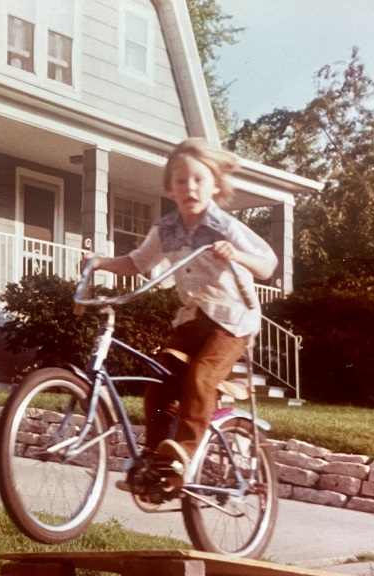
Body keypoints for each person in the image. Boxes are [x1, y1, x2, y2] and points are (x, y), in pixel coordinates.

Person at [87, 137, 278, 489]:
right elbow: (136, 263)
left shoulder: (224, 227)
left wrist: (236, 255)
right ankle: (156, 460)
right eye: (180, 180)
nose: (189, 186)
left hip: (233, 320)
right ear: (170, 189)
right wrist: (101, 263)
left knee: (201, 376)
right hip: (193, 318)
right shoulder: (166, 229)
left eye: (198, 179)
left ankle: (182, 456)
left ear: (215, 185)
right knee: (159, 382)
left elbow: (267, 265)